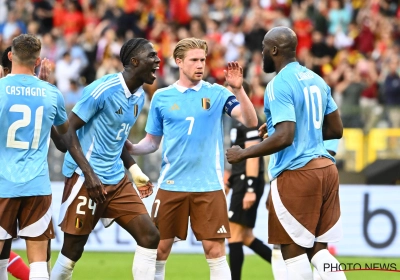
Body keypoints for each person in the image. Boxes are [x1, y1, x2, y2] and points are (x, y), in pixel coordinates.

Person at [125, 37, 258, 280]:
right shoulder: (162, 97)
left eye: (203, 60)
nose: (200, 65)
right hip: (171, 185)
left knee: (215, 250)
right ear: (179, 62)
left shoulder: (217, 93)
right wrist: (132, 148)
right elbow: (153, 142)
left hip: (208, 185)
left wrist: (238, 90)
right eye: (194, 60)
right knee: (159, 249)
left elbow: (250, 121)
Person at [226, 26, 346, 280]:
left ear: (274, 50)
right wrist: (286, 131)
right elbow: (336, 129)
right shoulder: (316, 79)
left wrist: (243, 154)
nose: (262, 55)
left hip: (296, 175)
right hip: (326, 170)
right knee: (318, 250)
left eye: (263, 50)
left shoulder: (277, 84)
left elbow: (285, 136)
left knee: (292, 252)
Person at [50, 38, 161, 280]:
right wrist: (89, 174)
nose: (157, 60)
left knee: (150, 236)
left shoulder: (139, 96)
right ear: (134, 61)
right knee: (71, 253)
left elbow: (117, 139)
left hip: (116, 179)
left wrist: (133, 169)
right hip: (85, 178)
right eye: (151, 56)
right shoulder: (103, 90)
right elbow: (68, 130)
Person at [0, 34, 69, 280]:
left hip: (2, 184)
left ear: (10, 55)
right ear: (38, 61)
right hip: (37, 184)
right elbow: (64, 137)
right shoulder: (51, 93)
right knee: (38, 258)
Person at [224, 80, 272, 280]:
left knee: (233, 235)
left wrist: (250, 188)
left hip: (248, 182)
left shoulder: (250, 120)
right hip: (240, 180)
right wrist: (229, 181)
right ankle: (286, 266)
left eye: (230, 94)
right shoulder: (236, 120)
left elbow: (253, 155)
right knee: (246, 237)